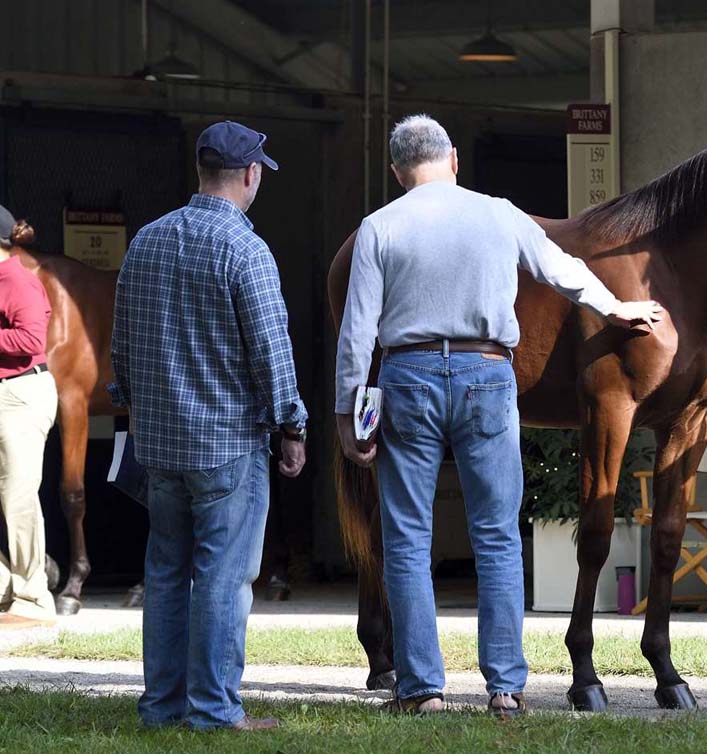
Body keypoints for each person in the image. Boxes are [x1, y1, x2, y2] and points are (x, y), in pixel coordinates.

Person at [336, 114, 663, 716]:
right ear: (454, 159)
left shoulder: (378, 227)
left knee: (407, 537)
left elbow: (357, 333)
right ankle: (505, 688)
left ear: (396, 171)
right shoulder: (499, 213)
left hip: (407, 376)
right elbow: (563, 271)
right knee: (497, 535)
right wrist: (617, 308)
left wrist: (347, 412)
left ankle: (421, 690)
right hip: (488, 374)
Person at [109, 121, 308, 732]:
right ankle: (215, 711)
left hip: (160, 445)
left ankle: (161, 708)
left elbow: (123, 346)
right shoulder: (245, 250)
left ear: (201, 171)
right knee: (224, 576)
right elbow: (271, 353)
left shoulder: (146, 240)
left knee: (166, 573)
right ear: (250, 175)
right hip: (226, 445)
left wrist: (135, 404)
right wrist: (291, 426)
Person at [0, 209, 58, 630]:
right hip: (8, 391)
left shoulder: (17, 280)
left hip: (21, 393)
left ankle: (34, 597)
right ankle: (9, 587)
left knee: (19, 498)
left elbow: (32, 339)